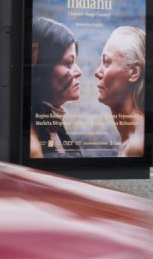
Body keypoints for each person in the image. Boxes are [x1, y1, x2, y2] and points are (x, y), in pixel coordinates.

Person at [31, 16, 82, 157]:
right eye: (68, 63)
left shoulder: (53, 125)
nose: (79, 72)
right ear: (41, 68)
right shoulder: (33, 142)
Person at [94, 26, 145, 157]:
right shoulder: (132, 137)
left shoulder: (136, 146)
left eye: (107, 62)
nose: (97, 72)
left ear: (134, 72)